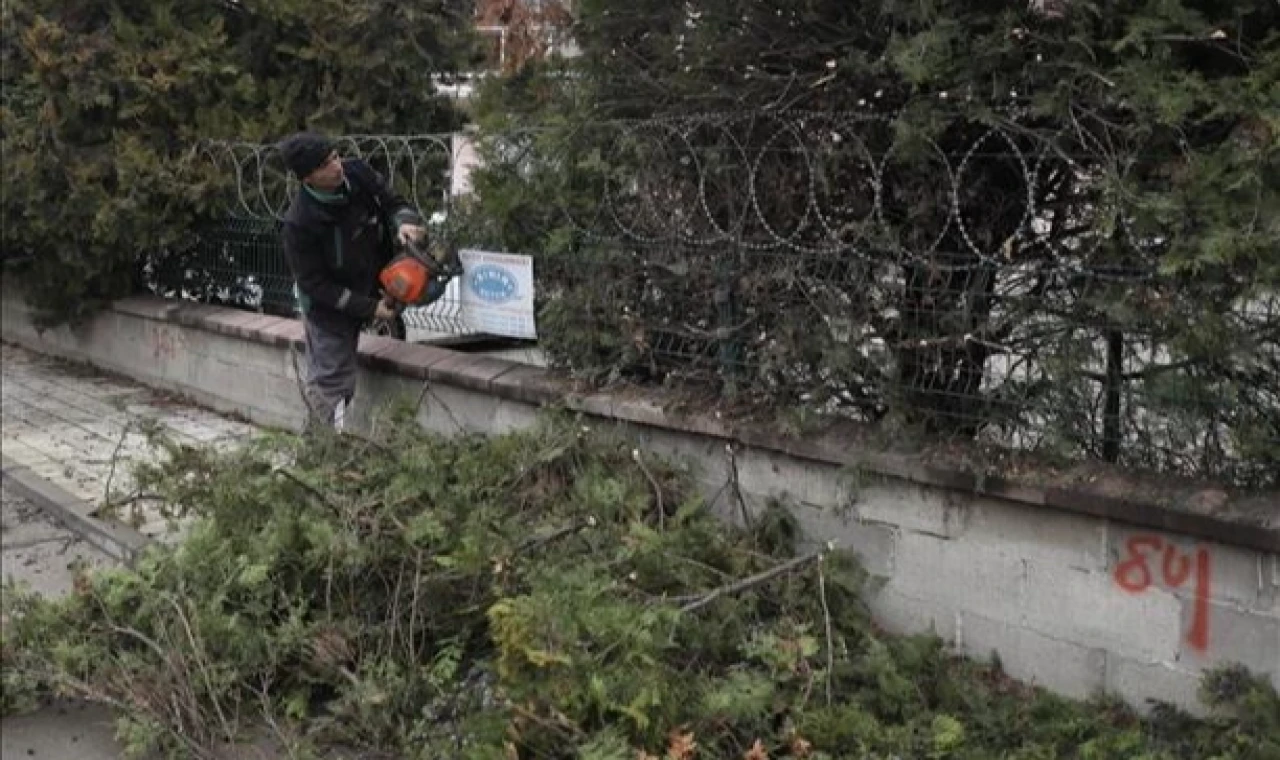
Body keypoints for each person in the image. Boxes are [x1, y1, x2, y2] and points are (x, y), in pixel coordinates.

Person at [278, 131, 426, 430]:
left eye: (334, 156)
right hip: (329, 308)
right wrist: (370, 308)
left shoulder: (357, 172)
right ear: (307, 178)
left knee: (428, 277)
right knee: (332, 383)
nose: (336, 166)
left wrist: (405, 223)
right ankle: (318, 453)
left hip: (374, 278)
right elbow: (315, 286)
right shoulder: (300, 223)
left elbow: (393, 202)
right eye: (324, 165)